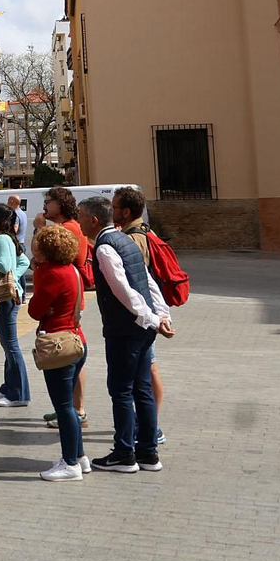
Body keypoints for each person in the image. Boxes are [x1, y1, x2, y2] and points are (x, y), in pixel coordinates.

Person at [82, 195, 173, 474]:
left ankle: (124, 453)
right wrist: (161, 315)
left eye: (81, 216)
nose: (79, 222)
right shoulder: (126, 240)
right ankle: (148, 452)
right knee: (141, 389)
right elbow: (148, 281)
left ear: (94, 220)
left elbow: (123, 290)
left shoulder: (104, 248)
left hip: (125, 329)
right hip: (142, 328)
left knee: (121, 390)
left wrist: (152, 317)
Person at [29, 221, 88, 481]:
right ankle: (79, 456)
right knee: (69, 406)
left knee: (63, 407)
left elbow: (34, 310)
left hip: (58, 345)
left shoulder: (52, 274)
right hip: (76, 339)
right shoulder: (72, 269)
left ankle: (70, 464)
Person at [113, 186, 168, 446]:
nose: (112, 211)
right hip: (148, 313)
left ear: (126, 211)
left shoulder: (134, 239)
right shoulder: (145, 231)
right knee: (148, 370)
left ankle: (152, 427)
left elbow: (137, 280)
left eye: (115, 207)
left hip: (142, 315)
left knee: (149, 370)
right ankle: (149, 425)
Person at [43, 186, 91, 431]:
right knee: (72, 352)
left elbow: (50, 258)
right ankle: (69, 406)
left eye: (48, 201)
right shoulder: (66, 226)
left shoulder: (68, 228)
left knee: (71, 351)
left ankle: (75, 409)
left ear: (60, 204)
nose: (45, 205)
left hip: (67, 298)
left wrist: (40, 230)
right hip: (68, 295)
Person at [0, 204, 31, 409]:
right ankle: (8, 387)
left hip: (6, 298)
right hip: (8, 296)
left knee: (11, 347)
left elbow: (4, 266)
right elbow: (24, 262)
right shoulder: (8, 238)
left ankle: (19, 394)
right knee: (7, 346)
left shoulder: (2, 239)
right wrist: (14, 276)